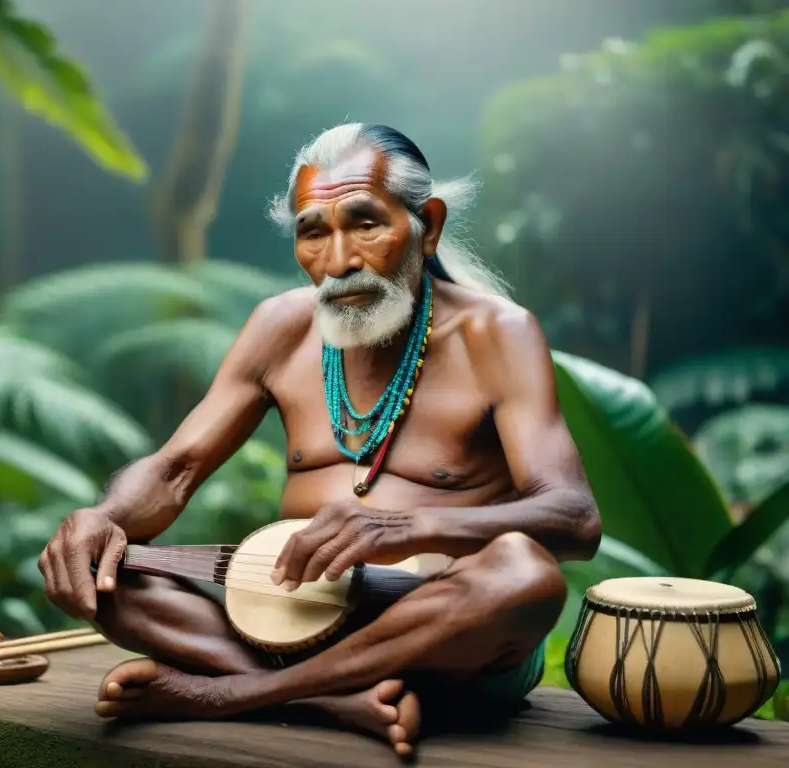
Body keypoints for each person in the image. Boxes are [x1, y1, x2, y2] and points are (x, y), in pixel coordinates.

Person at [40, 123, 601, 757]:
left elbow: (573, 518)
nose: (338, 263)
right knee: (107, 571)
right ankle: (332, 700)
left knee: (527, 578)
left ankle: (232, 695)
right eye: (313, 232)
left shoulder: (495, 334)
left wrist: (405, 528)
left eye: (366, 225)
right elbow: (173, 471)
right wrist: (104, 517)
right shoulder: (281, 327)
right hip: (293, 624)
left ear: (428, 225)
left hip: (448, 635)